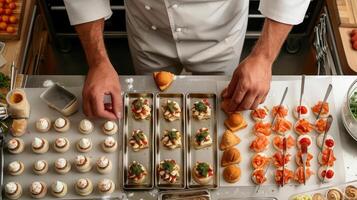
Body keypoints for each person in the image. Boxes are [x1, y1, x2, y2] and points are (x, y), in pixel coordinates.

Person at [64, 0, 310, 120]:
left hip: (220, 31)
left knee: (222, 106)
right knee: (150, 106)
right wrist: (98, 61)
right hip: (149, 28)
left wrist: (264, 57)